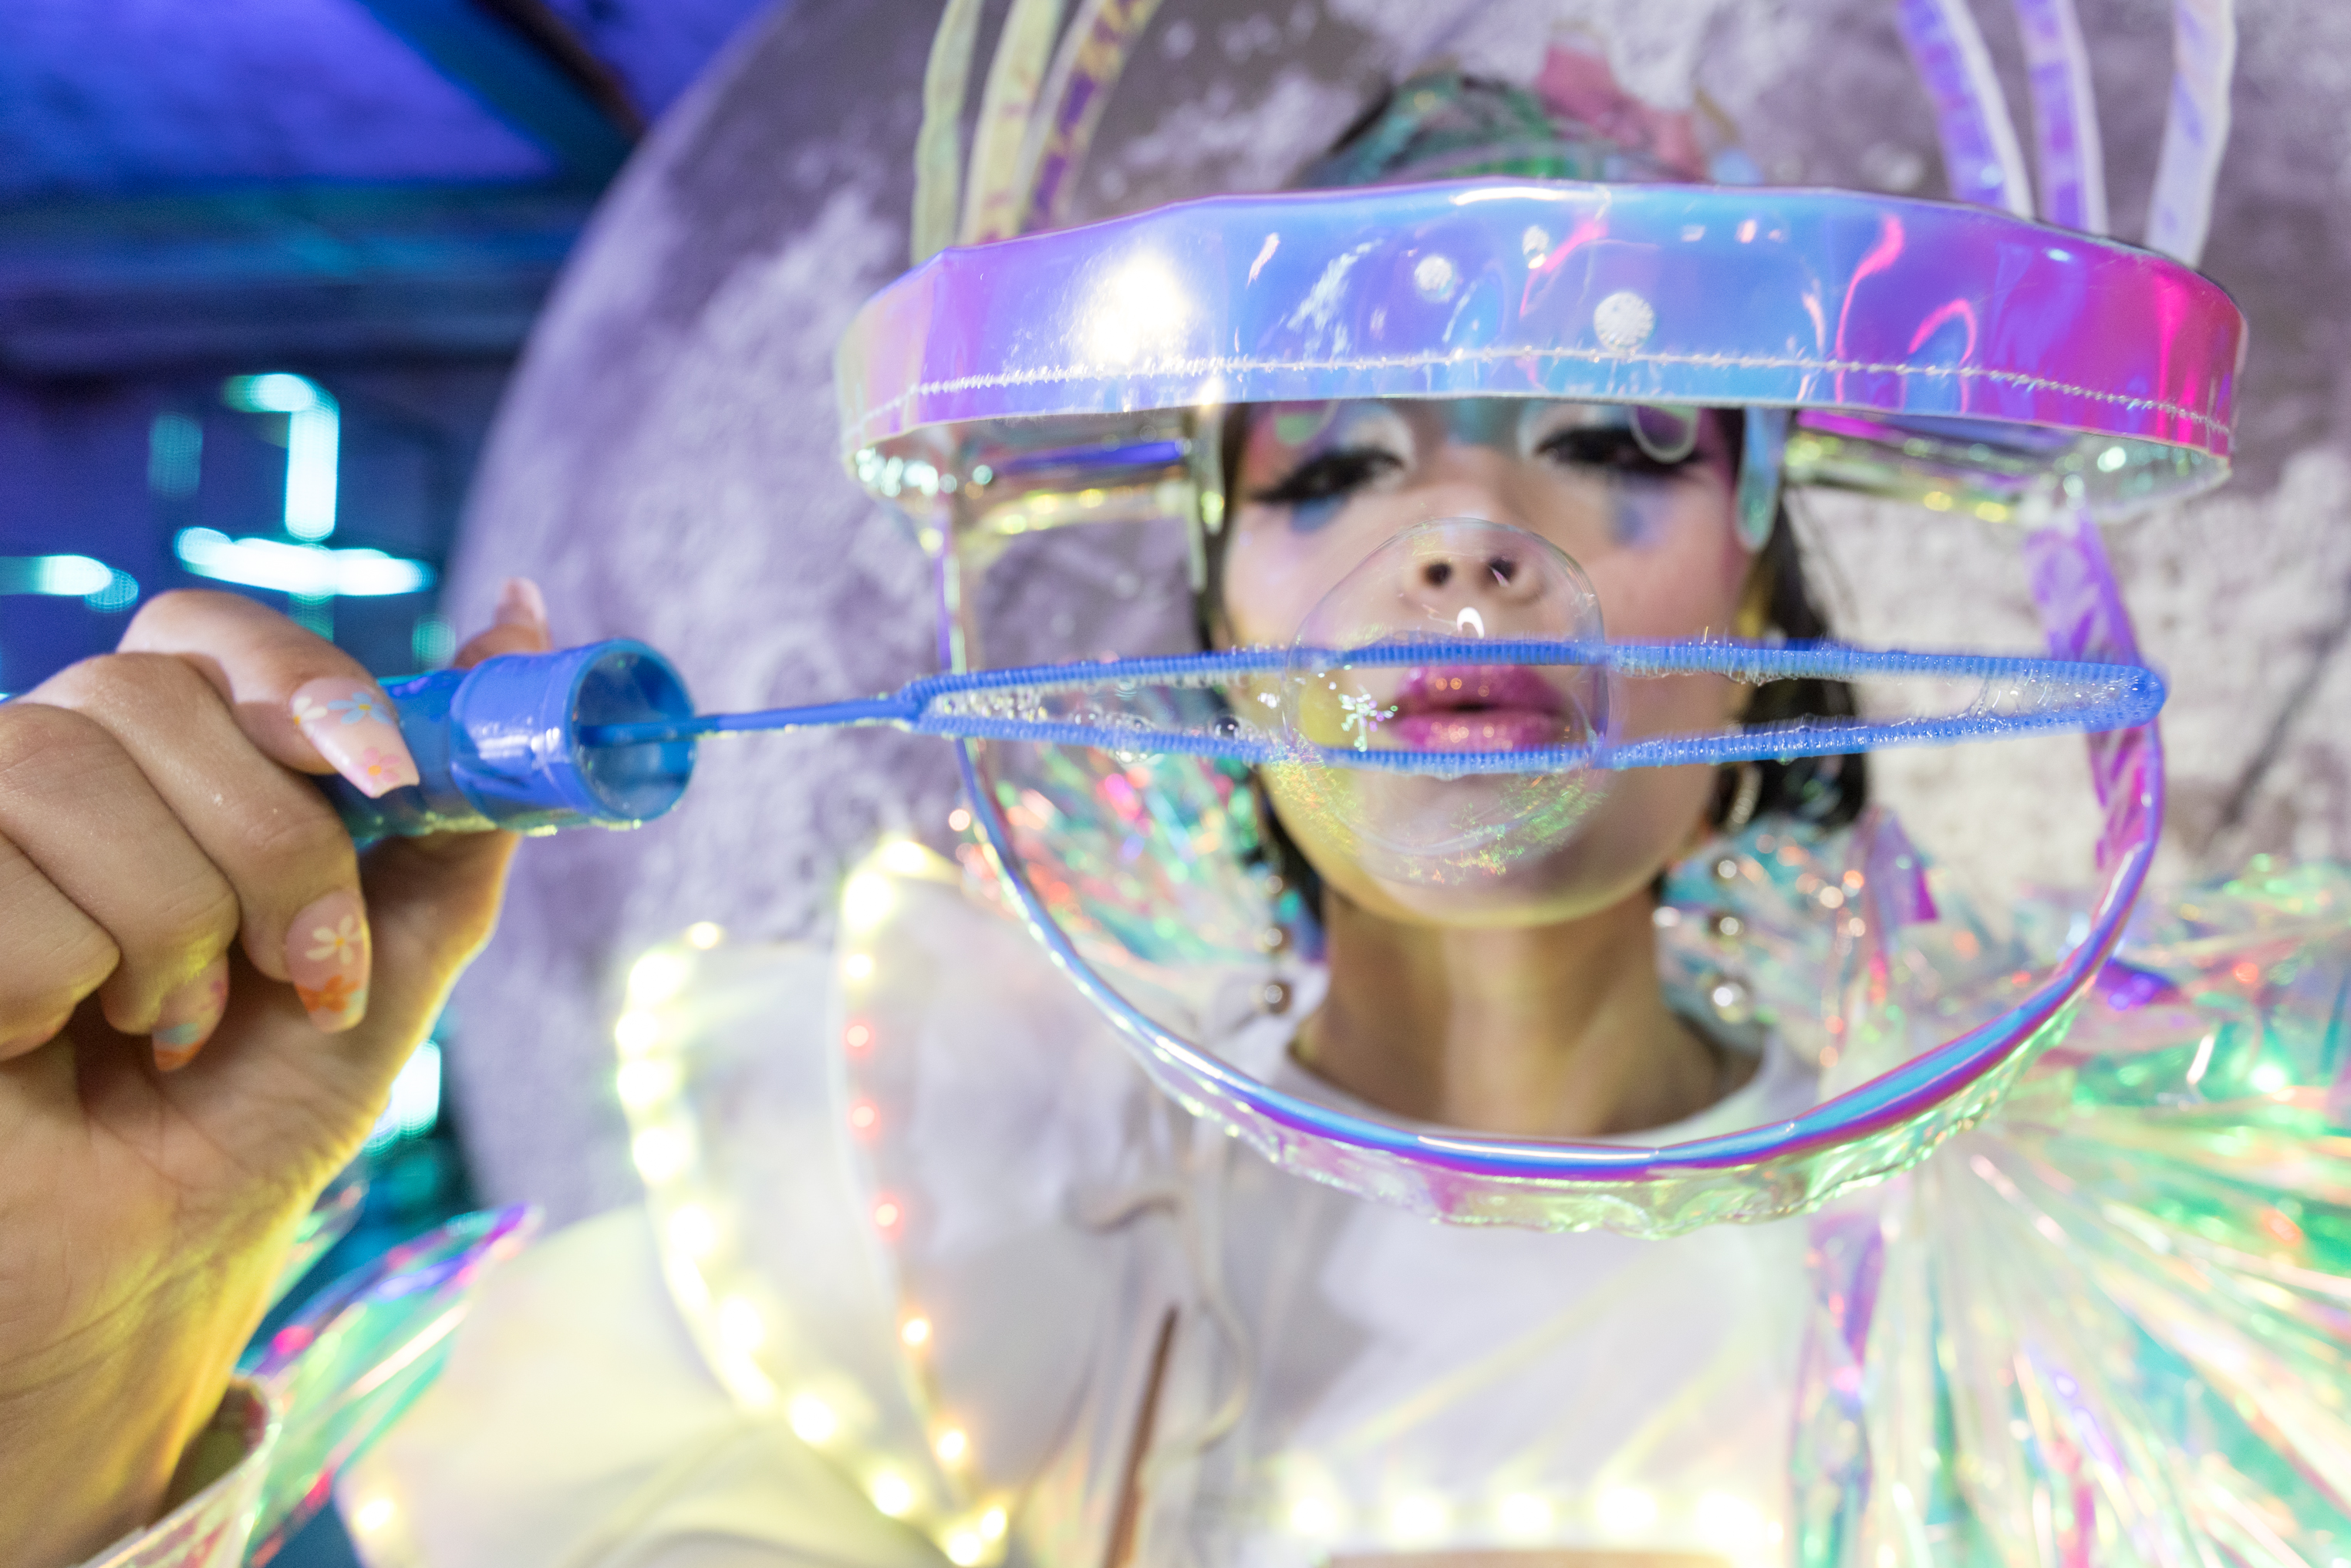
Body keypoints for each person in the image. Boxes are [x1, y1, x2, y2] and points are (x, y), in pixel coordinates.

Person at [4, 19, 2339, 1568]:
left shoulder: (2084, 1295)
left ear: (1784, 574)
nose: (1463, 537)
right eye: (1332, 462)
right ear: (1218, 623)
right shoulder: (926, 1250)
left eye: (1620, 435)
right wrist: (71, 1404)